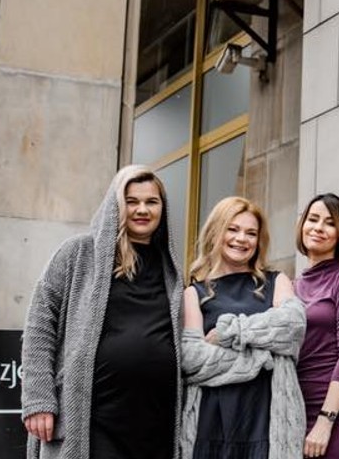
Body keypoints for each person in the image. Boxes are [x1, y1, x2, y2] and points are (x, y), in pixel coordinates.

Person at [21, 165, 182, 459]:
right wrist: (38, 398)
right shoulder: (78, 253)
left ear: (163, 208)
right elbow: (39, 325)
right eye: (131, 201)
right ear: (115, 204)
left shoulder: (171, 269)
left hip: (155, 422)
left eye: (151, 202)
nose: (142, 210)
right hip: (93, 421)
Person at [181, 197, 307, 459]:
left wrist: (230, 332)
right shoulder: (195, 292)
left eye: (251, 233)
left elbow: (292, 325)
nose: (242, 239)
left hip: (266, 417)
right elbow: (192, 358)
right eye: (233, 229)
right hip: (212, 419)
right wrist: (261, 357)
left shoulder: (276, 281)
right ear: (216, 231)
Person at [294, 193, 339, 459]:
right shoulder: (290, 286)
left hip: (331, 408)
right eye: (313, 219)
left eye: (329, 223)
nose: (318, 228)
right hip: (292, 404)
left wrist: (326, 421)